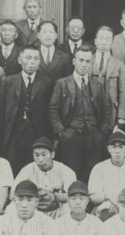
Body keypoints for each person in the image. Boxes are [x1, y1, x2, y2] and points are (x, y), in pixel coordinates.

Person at [48, 45, 113, 182]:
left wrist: (102, 133)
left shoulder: (98, 85)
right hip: (70, 137)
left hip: (94, 137)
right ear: (74, 61)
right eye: (81, 60)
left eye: (88, 61)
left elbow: (107, 109)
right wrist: (61, 132)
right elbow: (53, 109)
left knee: (93, 172)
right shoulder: (62, 84)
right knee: (71, 172)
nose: (84, 64)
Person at [0, 44, 54, 174]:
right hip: (13, 133)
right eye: (28, 58)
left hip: (37, 133)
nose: (32, 62)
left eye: (35, 59)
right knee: (13, 167)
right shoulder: (9, 82)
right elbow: (0, 110)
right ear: (19, 60)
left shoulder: (46, 83)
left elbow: (49, 112)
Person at [13, 137, 76, 219]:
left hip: (58, 210)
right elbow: (12, 194)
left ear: (52, 154)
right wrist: (32, 195)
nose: (40, 159)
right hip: (34, 209)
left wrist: (55, 197)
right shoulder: (27, 169)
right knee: (13, 207)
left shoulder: (65, 170)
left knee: (71, 207)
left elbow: (74, 195)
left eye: (44, 154)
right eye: (37, 155)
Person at [88, 129, 125, 221]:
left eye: (121, 147)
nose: (117, 151)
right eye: (114, 147)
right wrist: (109, 197)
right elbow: (93, 196)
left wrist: (121, 205)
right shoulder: (99, 168)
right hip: (107, 206)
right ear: (109, 149)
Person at [91, 26, 125, 128]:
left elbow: (123, 91)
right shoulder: (87, 61)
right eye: (101, 38)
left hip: (111, 111)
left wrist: (121, 116)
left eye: (108, 39)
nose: (104, 42)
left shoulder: (119, 64)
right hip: (90, 111)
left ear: (112, 43)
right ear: (95, 41)